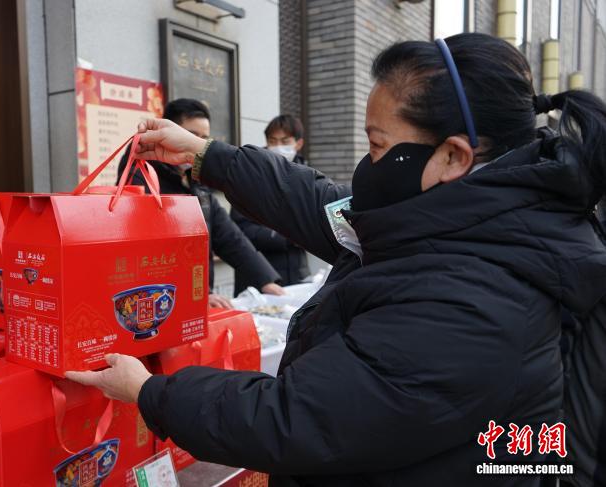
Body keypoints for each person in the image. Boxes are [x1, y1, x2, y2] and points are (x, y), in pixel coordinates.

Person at [68, 33, 606, 486]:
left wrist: (150, 392)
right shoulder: (460, 215)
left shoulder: (478, 299)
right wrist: (206, 156)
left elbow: (294, 419)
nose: (367, 166)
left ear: (453, 155)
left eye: (377, 146)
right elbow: (323, 208)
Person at [116, 98, 285, 308]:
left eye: (203, 139)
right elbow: (147, 253)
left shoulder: (195, 178)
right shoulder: (141, 173)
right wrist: (192, 294)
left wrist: (265, 279)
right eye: (190, 135)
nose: (195, 144)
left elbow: (229, 236)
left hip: (200, 296)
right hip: (159, 302)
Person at [231, 115, 310, 295]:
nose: (278, 146)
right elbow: (239, 229)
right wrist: (287, 237)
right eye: (273, 141)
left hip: (298, 273)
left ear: (299, 143)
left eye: (285, 141)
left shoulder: (308, 178)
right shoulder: (249, 176)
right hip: (259, 277)